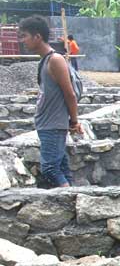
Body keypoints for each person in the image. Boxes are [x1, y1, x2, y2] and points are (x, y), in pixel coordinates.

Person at [18, 16, 82, 188]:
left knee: (50, 169)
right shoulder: (46, 60)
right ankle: (73, 201)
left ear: (37, 36)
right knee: (61, 167)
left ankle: (69, 198)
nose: (22, 41)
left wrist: (74, 121)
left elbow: (70, 94)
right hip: (48, 124)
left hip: (53, 125)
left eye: (24, 36)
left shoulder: (55, 60)